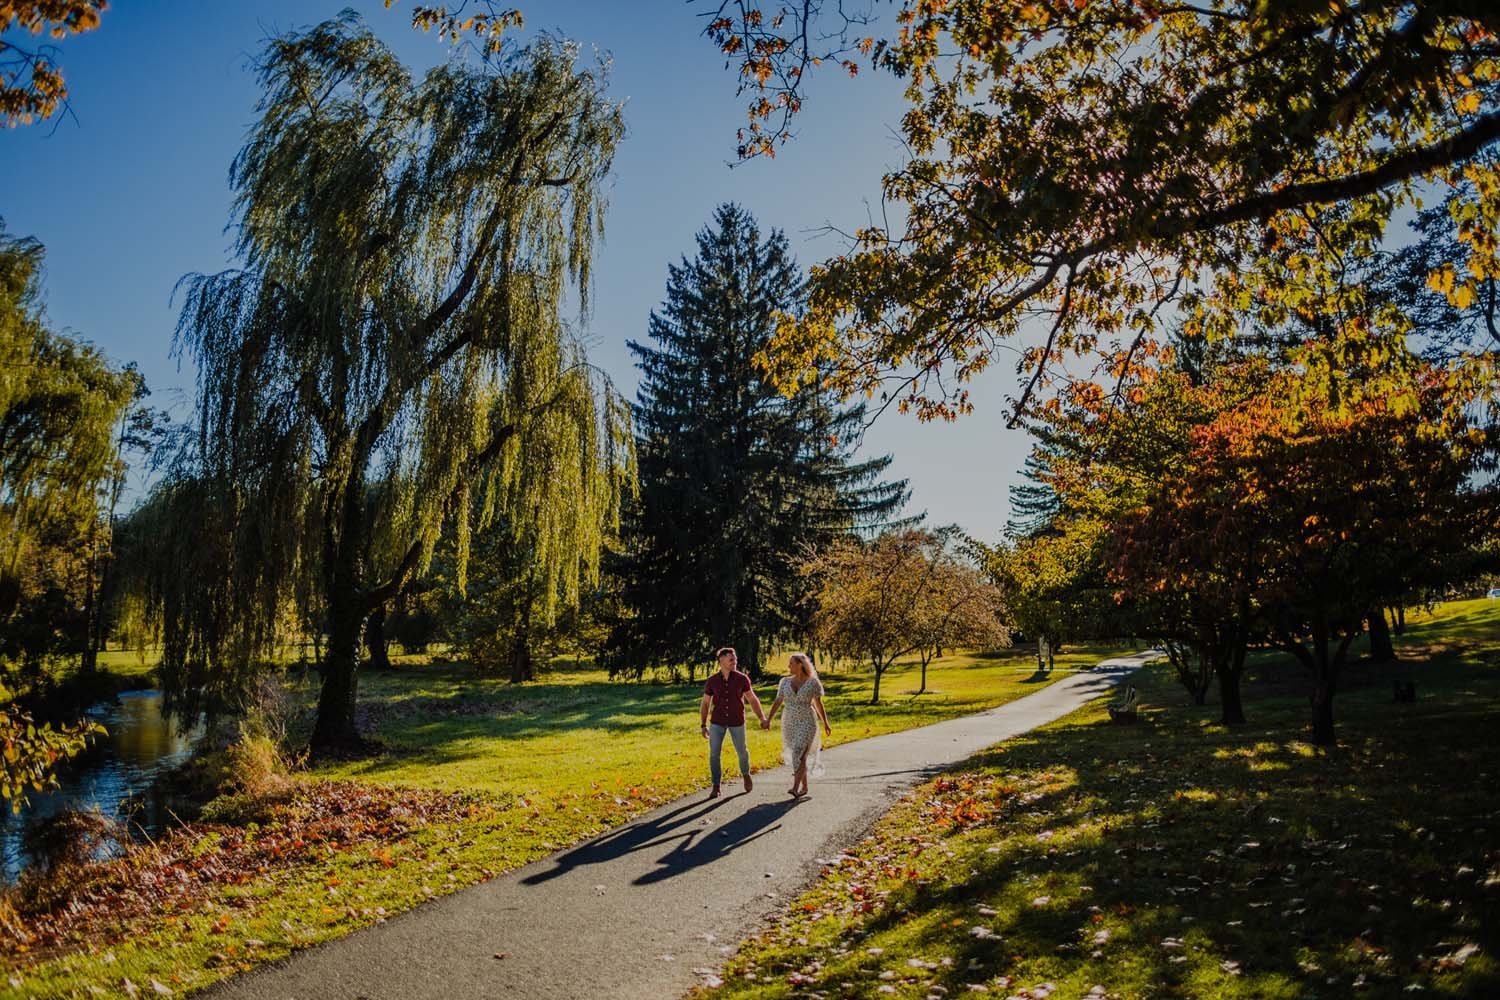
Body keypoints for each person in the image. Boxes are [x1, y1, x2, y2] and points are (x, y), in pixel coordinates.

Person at [761, 652, 832, 798]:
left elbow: (818, 704)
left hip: (807, 720)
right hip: (789, 721)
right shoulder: (784, 682)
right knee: (798, 755)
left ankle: (795, 787)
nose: (788, 666)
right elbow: (778, 701)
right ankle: (804, 787)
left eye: (791, 663)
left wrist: (825, 722)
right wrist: (769, 719)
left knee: (798, 752)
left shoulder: (813, 682)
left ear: (801, 665)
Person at [700, 646, 766, 798]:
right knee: (714, 754)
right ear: (721, 660)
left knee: (742, 751)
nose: (734, 661)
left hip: (737, 721)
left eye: (735, 659)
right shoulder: (712, 681)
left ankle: (746, 774)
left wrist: (762, 718)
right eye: (731, 659)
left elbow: (752, 699)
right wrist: (703, 725)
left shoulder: (742, 679)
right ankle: (716, 785)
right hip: (717, 721)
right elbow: (705, 703)